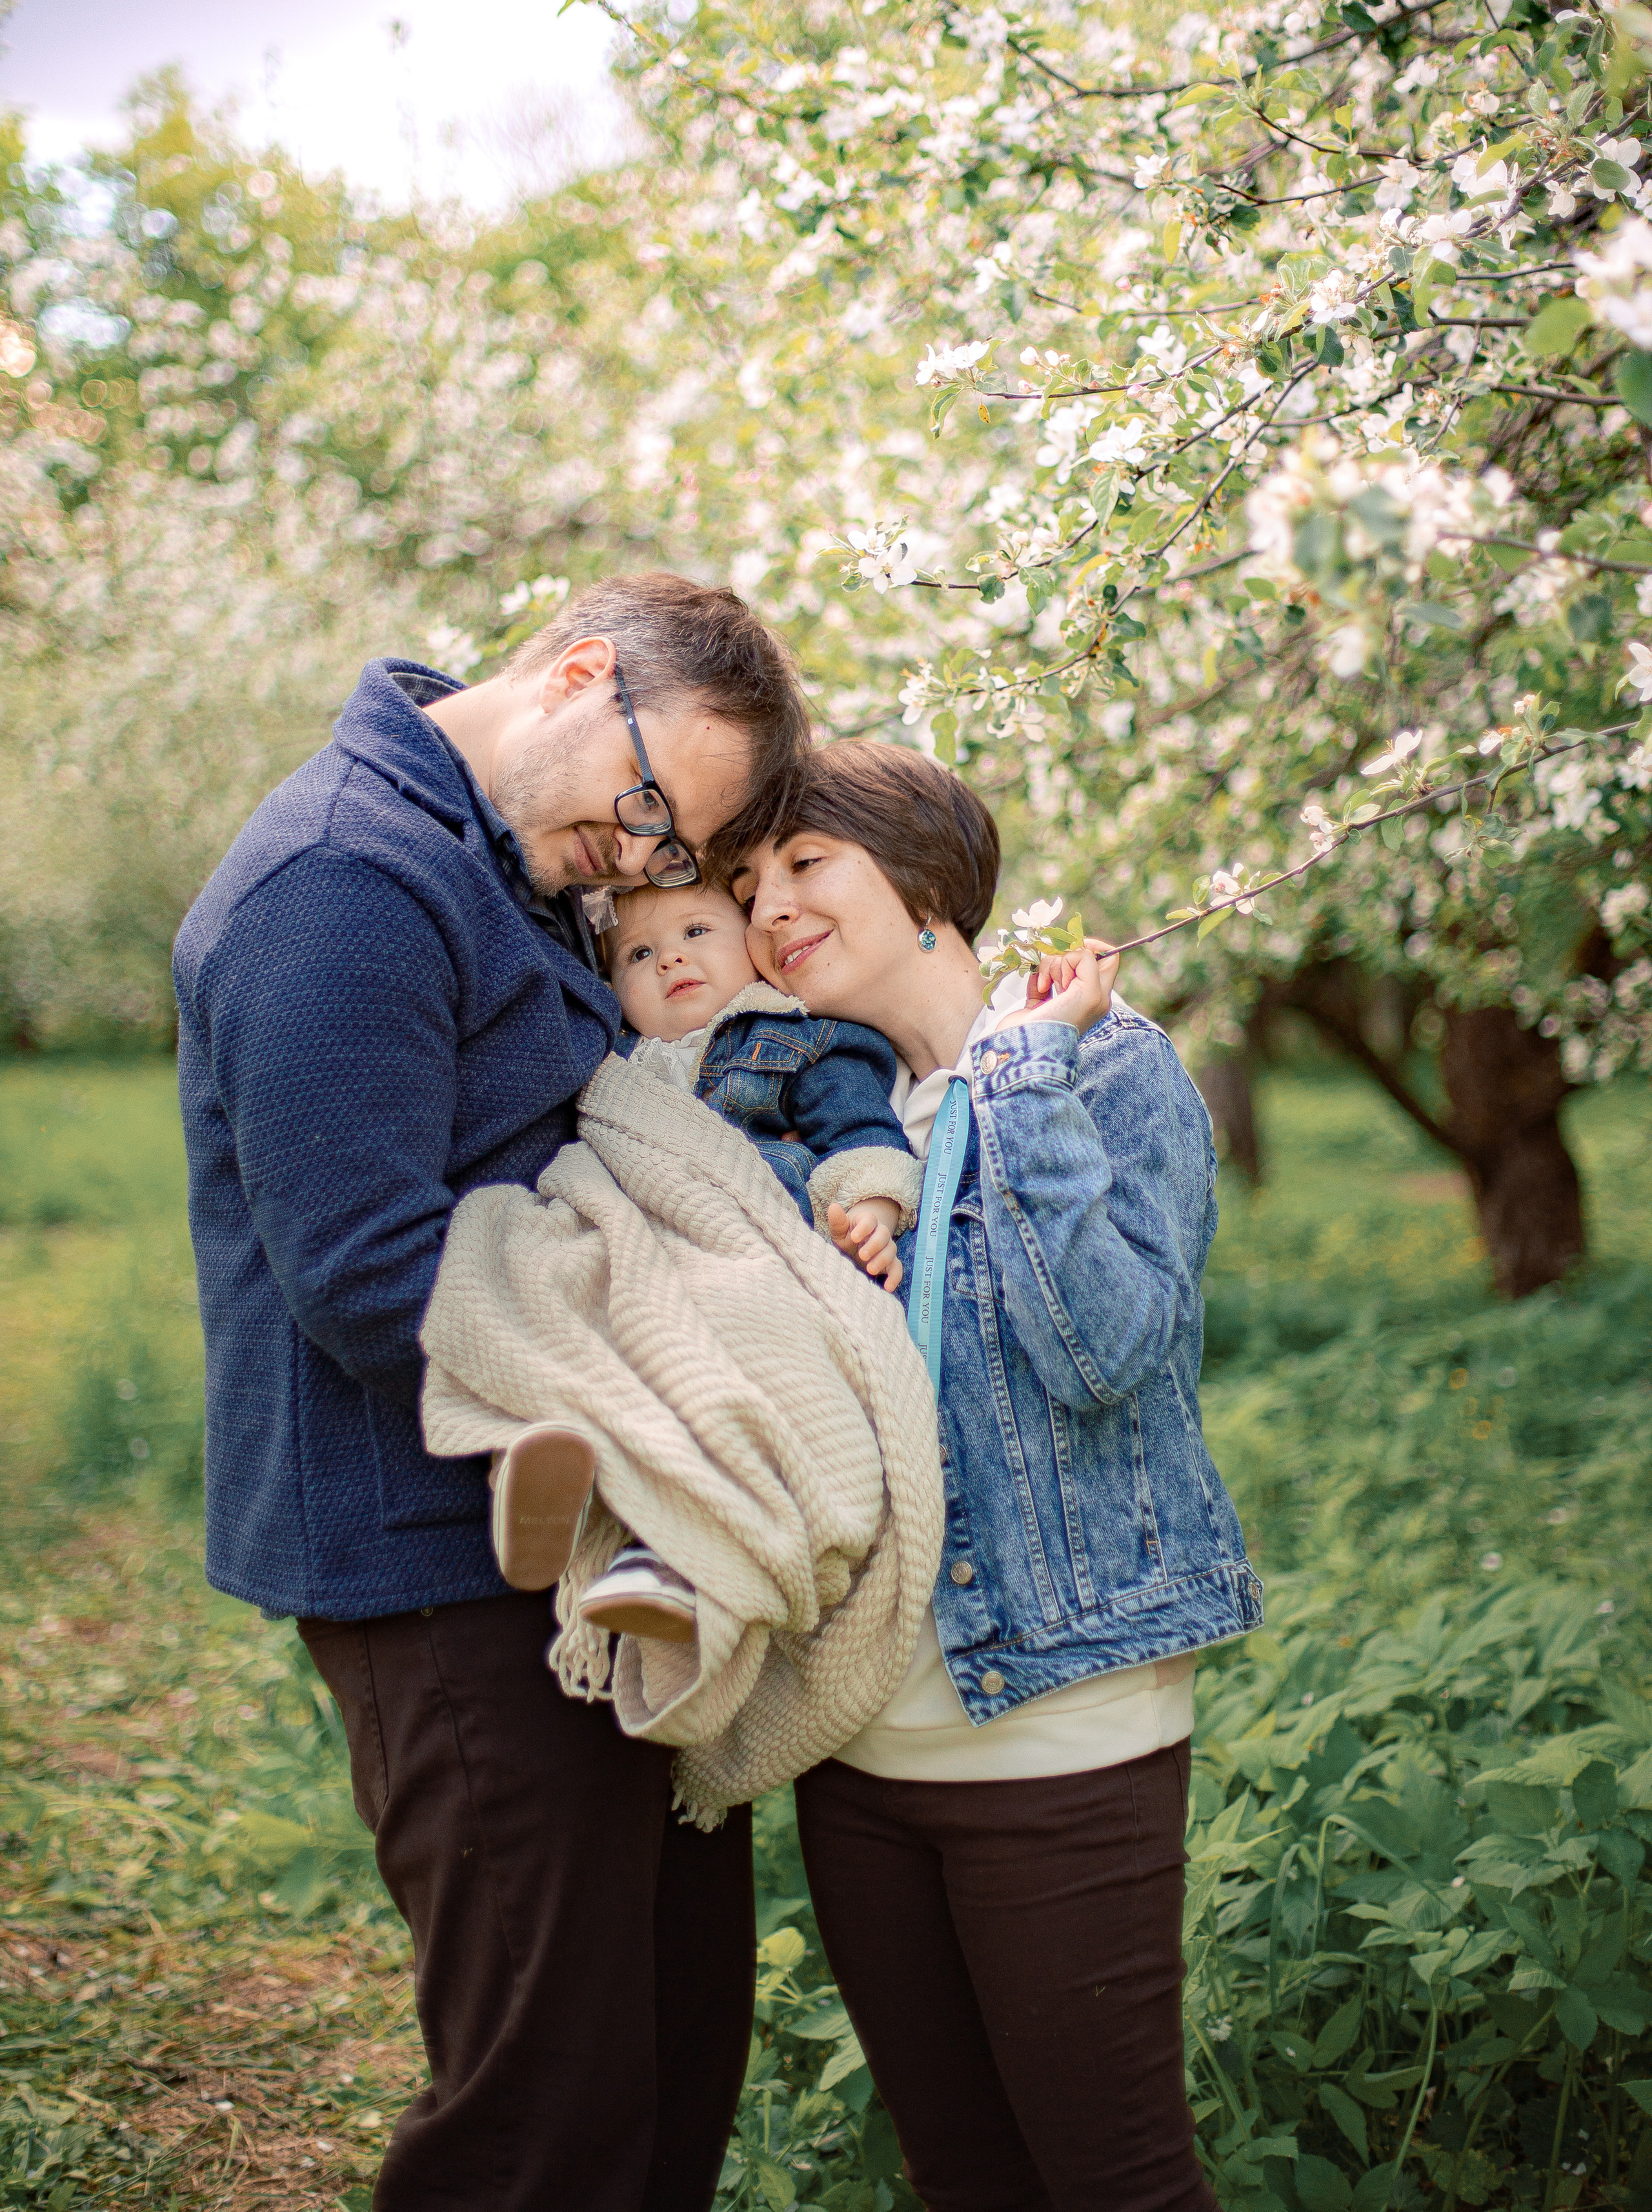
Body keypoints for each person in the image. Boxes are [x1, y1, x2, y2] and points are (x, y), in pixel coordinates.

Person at [171, 574, 810, 2212]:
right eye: (649, 810)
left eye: (673, 853)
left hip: (612, 1544)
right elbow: (371, 1273)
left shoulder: (498, 853)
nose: (641, 862)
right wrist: (683, 1391)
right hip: (448, 1559)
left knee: (671, 2042)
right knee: (545, 2106)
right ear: (580, 673)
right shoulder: (345, 881)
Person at [730, 741, 1264, 2212]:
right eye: (748, 882)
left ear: (922, 877)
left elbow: (1106, 1352)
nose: (769, 908)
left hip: (1053, 1734)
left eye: (804, 863)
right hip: (856, 1748)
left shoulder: (1099, 1064)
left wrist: (1017, 1075)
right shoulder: (809, 1126)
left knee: (1116, 2181)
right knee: (962, 2175)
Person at [491, 873, 922, 1641]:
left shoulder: (794, 1035)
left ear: (754, 946)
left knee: (712, 1389)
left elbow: (861, 1134)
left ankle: (669, 1560)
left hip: (740, 1258)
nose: (668, 960)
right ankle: (552, 1468)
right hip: (639, 1250)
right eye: (638, 954)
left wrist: (872, 1210)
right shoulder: (611, 1065)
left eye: (696, 932)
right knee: (536, 1263)